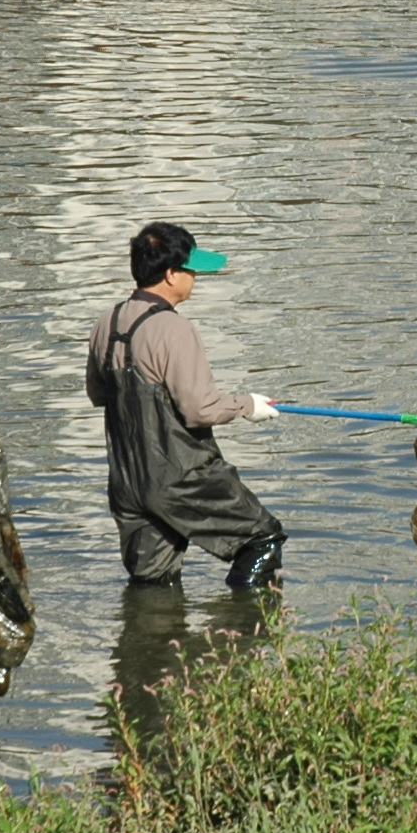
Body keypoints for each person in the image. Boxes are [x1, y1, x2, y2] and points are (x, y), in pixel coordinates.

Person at [88, 222, 286, 589]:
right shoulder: (174, 329)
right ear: (170, 274)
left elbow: (98, 394)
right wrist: (247, 405)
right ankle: (245, 635)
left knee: (152, 583)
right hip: (182, 479)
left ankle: (152, 644)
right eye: (191, 269)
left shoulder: (107, 322)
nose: (195, 276)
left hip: (128, 482)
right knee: (261, 538)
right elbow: (200, 409)